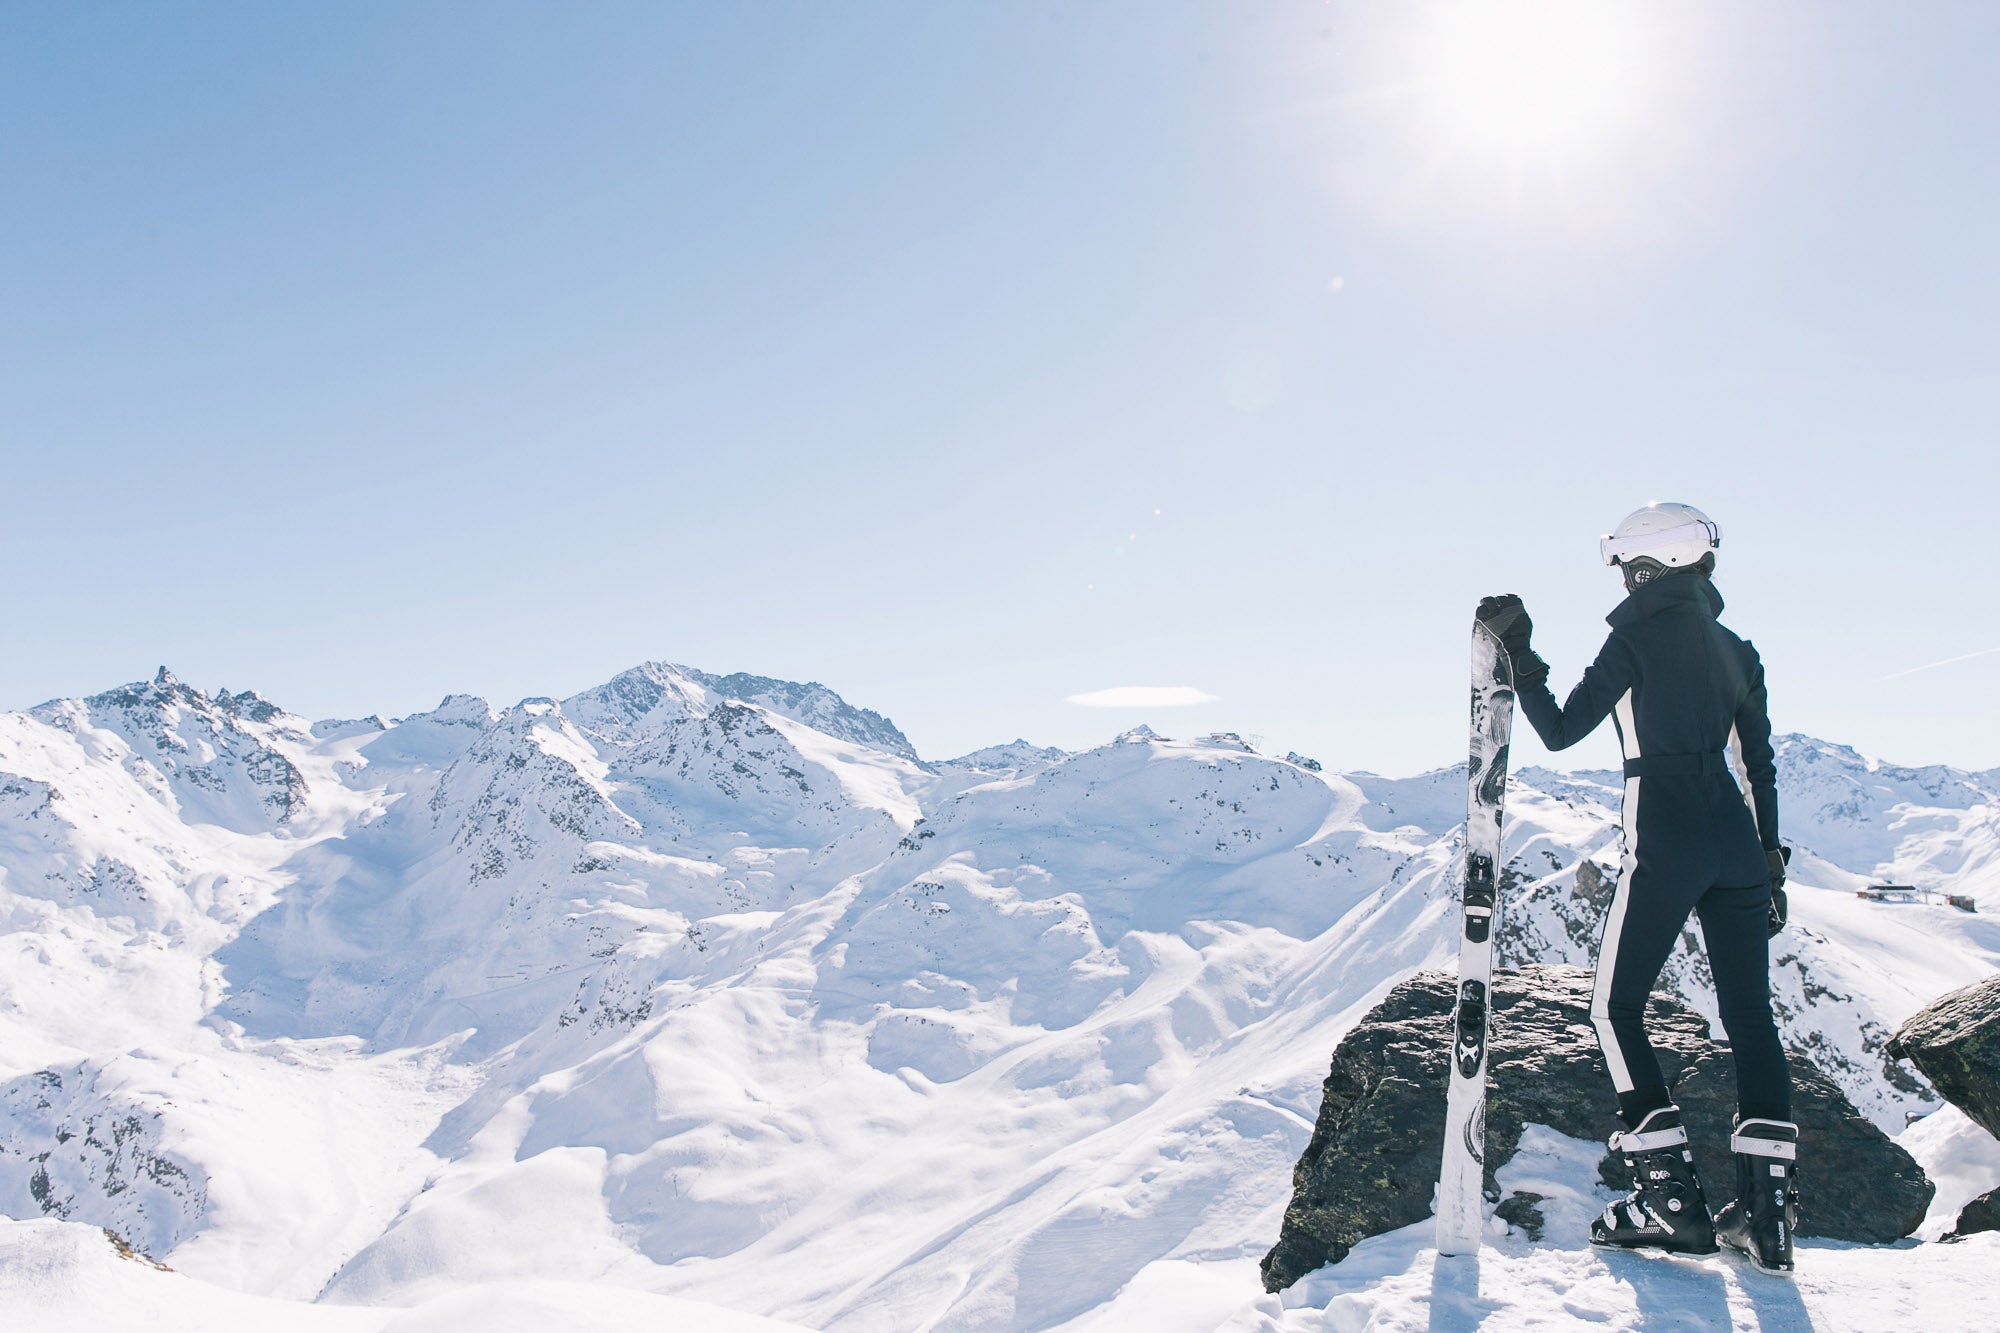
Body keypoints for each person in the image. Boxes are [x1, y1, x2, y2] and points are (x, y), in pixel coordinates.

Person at [1478, 502, 1799, 1275]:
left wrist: (1519, 647)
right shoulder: (1737, 649)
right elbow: (1759, 765)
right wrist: (1769, 858)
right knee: (1751, 1016)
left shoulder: (1634, 640)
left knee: (1613, 1008)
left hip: (1667, 842)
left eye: (1624, 563)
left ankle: (1672, 1204)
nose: (1621, 575)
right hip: (1740, 848)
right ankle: (1769, 1223)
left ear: (1646, 566)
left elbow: (1558, 728)